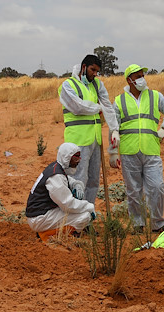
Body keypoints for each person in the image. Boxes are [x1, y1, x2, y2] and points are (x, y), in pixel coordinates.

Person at [109, 64, 164, 233]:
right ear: (129, 80)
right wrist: (112, 152)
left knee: (156, 187)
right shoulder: (119, 100)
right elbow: (112, 127)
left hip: (151, 149)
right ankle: (138, 224)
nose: (141, 79)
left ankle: (158, 223)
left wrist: (163, 130)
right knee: (133, 191)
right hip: (128, 151)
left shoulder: (155, 96)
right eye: (137, 76)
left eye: (142, 75)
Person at [59, 54, 119, 205]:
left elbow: (109, 108)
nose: (95, 74)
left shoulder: (97, 85)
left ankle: (87, 218)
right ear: (83, 67)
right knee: (78, 180)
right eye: (92, 70)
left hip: (95, 140)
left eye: (97, 71)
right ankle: (75, 219)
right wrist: (98, 108)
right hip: (78, 141)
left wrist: (114, 129)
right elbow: (77, 107)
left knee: (93, 180)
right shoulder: (68, 85)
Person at [26, 143, 96, 241]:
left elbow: (68, 180)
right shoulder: (55, 177)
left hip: (41, 214)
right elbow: (68, 204)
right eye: (75, 158)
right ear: (66, 157)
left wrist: (77, 185)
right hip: (39, 218)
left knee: (81, 212)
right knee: (84, 217)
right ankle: (46, 235)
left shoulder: (56, 167)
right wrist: (88, 207)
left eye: (79, 157)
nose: (78, 161)